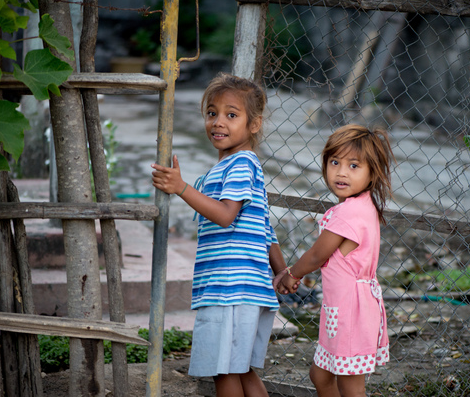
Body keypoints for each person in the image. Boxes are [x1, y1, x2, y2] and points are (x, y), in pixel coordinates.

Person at [151, 73, 287, 397]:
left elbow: (226, 216)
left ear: (254, 125)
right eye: (212, 113)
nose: (218, 122)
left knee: (222, 371)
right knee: (243, 372)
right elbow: (264, 229)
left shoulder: (240, 164)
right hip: (241, 287)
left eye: (231, 114)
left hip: (230, 288)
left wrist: (181, 188)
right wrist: (282, 270)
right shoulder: (229, 169)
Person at [274, 124, 394, 397]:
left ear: (371, 173)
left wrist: (292, 274)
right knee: (320, 375)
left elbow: (317, 254)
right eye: (335, 162)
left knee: (351, 386)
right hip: (346, 308)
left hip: (350, 313)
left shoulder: (347, 214)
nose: (341, 171)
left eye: (354, 166)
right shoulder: (363, 205)